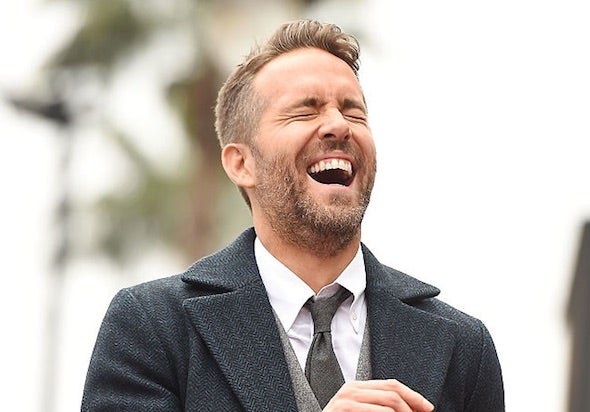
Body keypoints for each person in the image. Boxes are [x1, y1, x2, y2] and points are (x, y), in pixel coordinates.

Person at [81, 19, 504, 411]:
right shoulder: (153, 326)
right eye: (306, 110)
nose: (339, 125)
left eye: (353, 111)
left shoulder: (464, 345)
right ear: (241, 164)